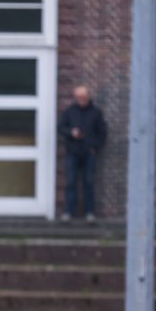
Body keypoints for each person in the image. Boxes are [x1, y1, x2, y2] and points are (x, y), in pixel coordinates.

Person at [57, 85, 107, 222]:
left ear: (88, 97)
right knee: (70, 182)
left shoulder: (96, 113)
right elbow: (60, 128)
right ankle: (68, 211)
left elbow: (102, 132)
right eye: (78, 97)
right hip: (72, 152)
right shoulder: (70, 112)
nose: (81, 100)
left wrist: (94, 146)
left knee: (89, 182)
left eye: (83, 97)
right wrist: (71, 133)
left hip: (89, 152)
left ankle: (89, 212)